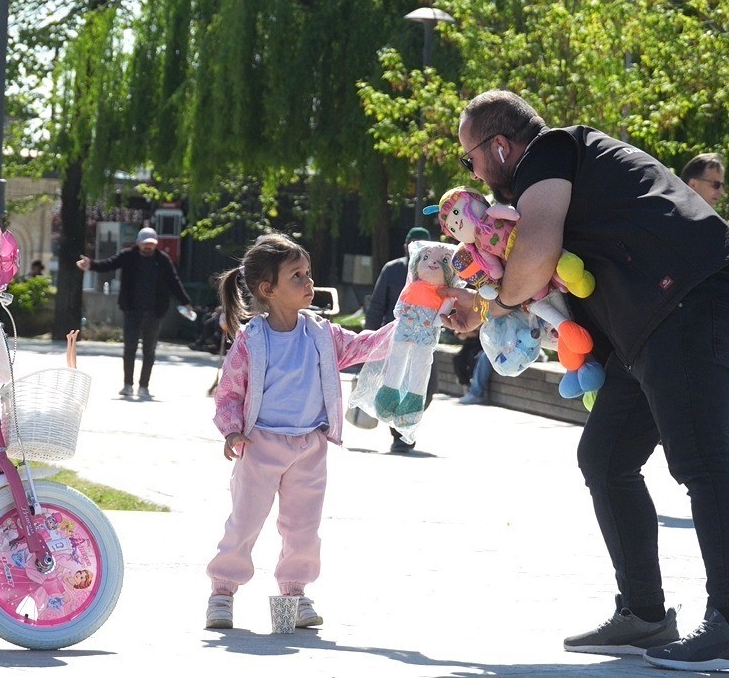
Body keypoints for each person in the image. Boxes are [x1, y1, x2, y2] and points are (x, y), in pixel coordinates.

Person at [442, 89, 729, 671]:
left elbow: (539, 253)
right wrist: (485, 306)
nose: (470, 172)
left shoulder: (549, 152)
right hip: (645, 327)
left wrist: (492, 299)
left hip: (690, 300)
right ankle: (645, 616)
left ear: (500, 145)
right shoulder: (551, 177)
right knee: (605, 455)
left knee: (704, 461)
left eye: (469, 157)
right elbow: (545, 283)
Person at [204, 233, 395, 630]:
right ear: (267, 289)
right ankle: (222, 592)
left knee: (303, 527)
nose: (309, 283)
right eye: (297, 276)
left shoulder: (322, 334)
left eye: (308, 274)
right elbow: (230, 390)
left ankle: (295, 592)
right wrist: (231, 431)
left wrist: (409, 326)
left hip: (310, 447)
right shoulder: (252, 340)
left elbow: (364, 347)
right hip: (259, 446)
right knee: (244, 522)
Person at [76, 226, 192, 399]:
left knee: (149, 350)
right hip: (132, 310)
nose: (148, 247)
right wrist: (91, 264)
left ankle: (144, 386)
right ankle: (128, 385)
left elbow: (174, 281)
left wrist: (186, 302)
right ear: (138, 243)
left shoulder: (163, 259)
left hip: (154, 311)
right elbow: (109, 263)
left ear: (156, 244)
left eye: (151, 244)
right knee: (129, 349)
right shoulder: (128, 255)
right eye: (145, 244)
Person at [364, 226, 435, 453]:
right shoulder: (392, 269)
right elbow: (376, 306)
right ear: (406, 247)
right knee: (394, 384)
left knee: (428, 387)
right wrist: (367, 343)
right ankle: (399, 434)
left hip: (424, 341)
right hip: (396, 340)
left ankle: (406, 422)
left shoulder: (436, 273)